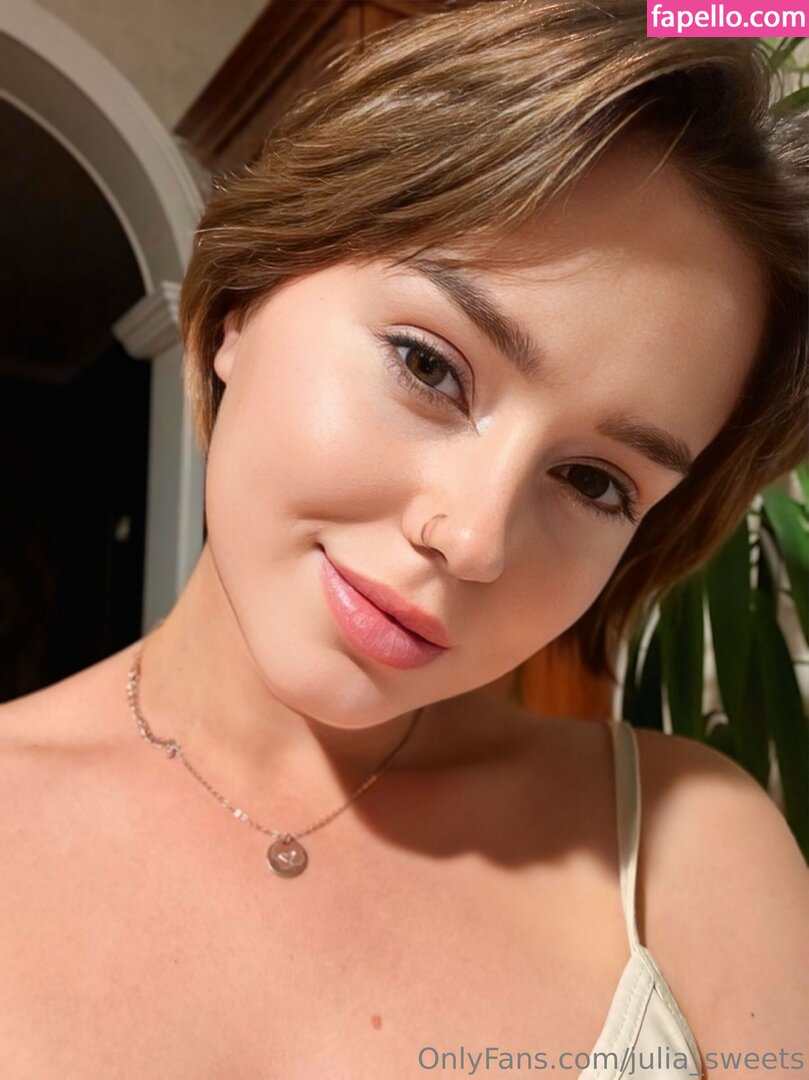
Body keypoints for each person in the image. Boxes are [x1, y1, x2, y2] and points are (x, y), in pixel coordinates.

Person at [0, 1, 806, 1076]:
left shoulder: (688, 852)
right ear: (243, 302)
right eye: (429, 366)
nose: (473, 540)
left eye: (592, 481)